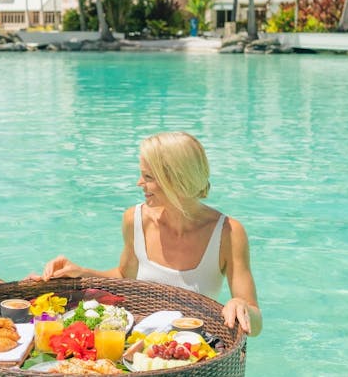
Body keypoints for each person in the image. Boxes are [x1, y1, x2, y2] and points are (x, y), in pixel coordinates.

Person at [40, 131, 262, 336]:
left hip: (194, 354)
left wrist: (241, 306)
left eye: (148, 177)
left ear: (176, 179)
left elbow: (256, 322)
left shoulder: (228, 233)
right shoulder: (135, 220)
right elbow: (126, 277)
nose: (139, 183)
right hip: (139, 348)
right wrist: (81, 272)